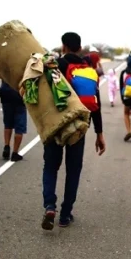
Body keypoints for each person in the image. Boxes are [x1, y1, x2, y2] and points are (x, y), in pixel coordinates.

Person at [41, 32, 106, 230]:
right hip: (79, 126)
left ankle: (50, 206)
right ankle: (66, 214)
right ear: (78, 47)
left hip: (55, 124)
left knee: (51, 167)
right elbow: (95, 103)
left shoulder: (54, 66)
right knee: (73, 170)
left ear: (64, 46)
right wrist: (99, 133)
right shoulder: (88, 70)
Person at [0, 80, 27, 162]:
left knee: (8, 124)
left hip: (6, 95)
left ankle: (6, 146)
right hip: (18, 96)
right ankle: (15, 153)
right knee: (19, 127)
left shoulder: (5, 67)